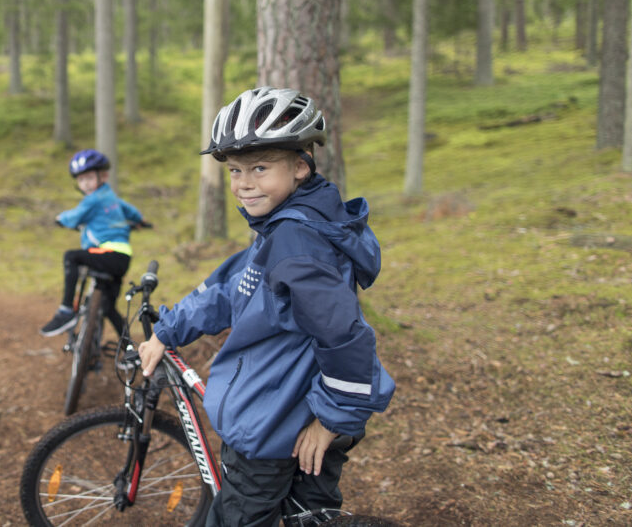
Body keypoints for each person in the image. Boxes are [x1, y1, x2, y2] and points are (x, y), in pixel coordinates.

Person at [137, 86, 395, 526]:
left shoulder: (297, 243)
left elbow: (345, 337)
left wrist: (331, 420)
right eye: (235, 171)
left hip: (277, 429)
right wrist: (170, 328)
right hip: (289, 411)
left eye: (259, 167)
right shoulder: (286, 226)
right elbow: (236, 287)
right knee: (308, 516)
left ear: (299, 166)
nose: (244, 183)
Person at [40, 149, 146, 337]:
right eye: (80, 180)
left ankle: (66, 311)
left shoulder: (94, 199)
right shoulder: (111, 198)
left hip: (108, 253)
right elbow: (133, 212)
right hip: (121, 258)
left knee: (71, 257)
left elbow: (74, 217)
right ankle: (130, 349)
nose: (85, 184)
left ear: (103, 176)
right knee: (108, 307)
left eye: (89, 178)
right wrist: (139, 222)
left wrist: (60, 219)